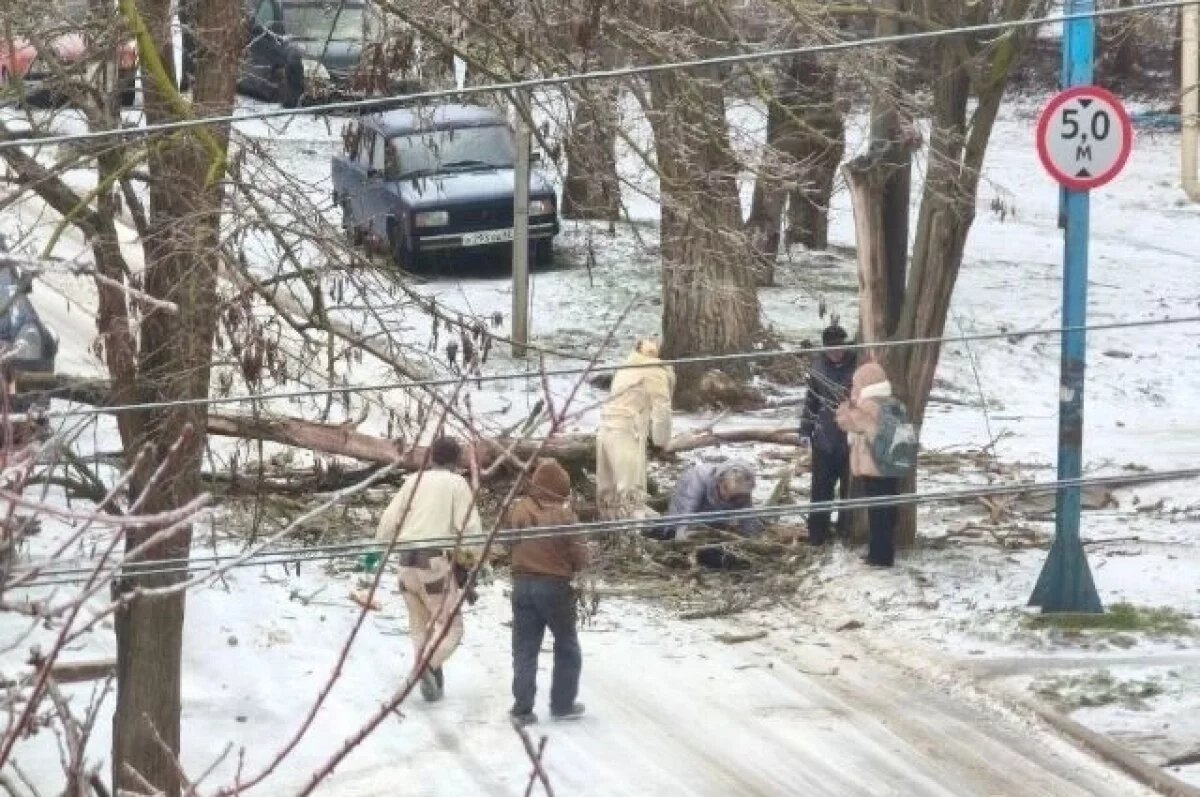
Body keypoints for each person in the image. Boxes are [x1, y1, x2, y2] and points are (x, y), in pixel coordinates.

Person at [375, 436, 482, 702]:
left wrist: (377, 550)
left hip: (405, 564)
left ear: (431, 457)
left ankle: (431, 685)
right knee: (452, 629)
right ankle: (423, 670)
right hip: (433, 564)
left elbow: (389, 521)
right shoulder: (458, 484)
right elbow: (468, 528)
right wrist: (474, 560)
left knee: (420, 626)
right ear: (457, 462)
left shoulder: (413, 481)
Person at [504, 458, 589, 726]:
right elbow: (580, 556)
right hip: (554, 588)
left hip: (522, 586)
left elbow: (507, 544)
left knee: (525, 648)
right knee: (566, 644)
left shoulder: (518, 510)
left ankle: (523, 708)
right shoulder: (565, 516)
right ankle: (562, 704)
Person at [595, 337, 675, 521]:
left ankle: (613, 532)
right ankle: (631, 543)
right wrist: (661, 440)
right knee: (630, 492)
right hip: (627, 432)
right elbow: (662, 408)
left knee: (610, 492)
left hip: (606, 429)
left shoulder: (626, 366)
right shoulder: (655, 371)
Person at [835, 361, 900, 567]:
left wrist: (845, 406)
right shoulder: (892, 403)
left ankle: (879, 557)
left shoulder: (870, 405)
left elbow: (846, 422)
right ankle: (883, 552)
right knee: (887, 512)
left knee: (878, 513)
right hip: (891, 466)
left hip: (875, 468)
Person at [799, 324, 857, 545]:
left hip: (851, 439)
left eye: (840, 347)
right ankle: (817, 536)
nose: (836, 352)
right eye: (831, 349)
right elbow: (811, 401)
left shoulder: (857, 364)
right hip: (824, 438)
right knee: (821, 489)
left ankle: (846, 532)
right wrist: (805, 430)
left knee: (849, 490)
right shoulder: (818, 367)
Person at [661, 459, 763, 541]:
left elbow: (749, 518)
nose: (726, 497)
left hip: (713, 524)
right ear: (719, 480)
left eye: (734, 496)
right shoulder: (698, 477)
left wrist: (753, 540)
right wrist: (681, 533)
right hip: (683, 518)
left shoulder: (743, 492)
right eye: (725, 488)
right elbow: (686, 510)